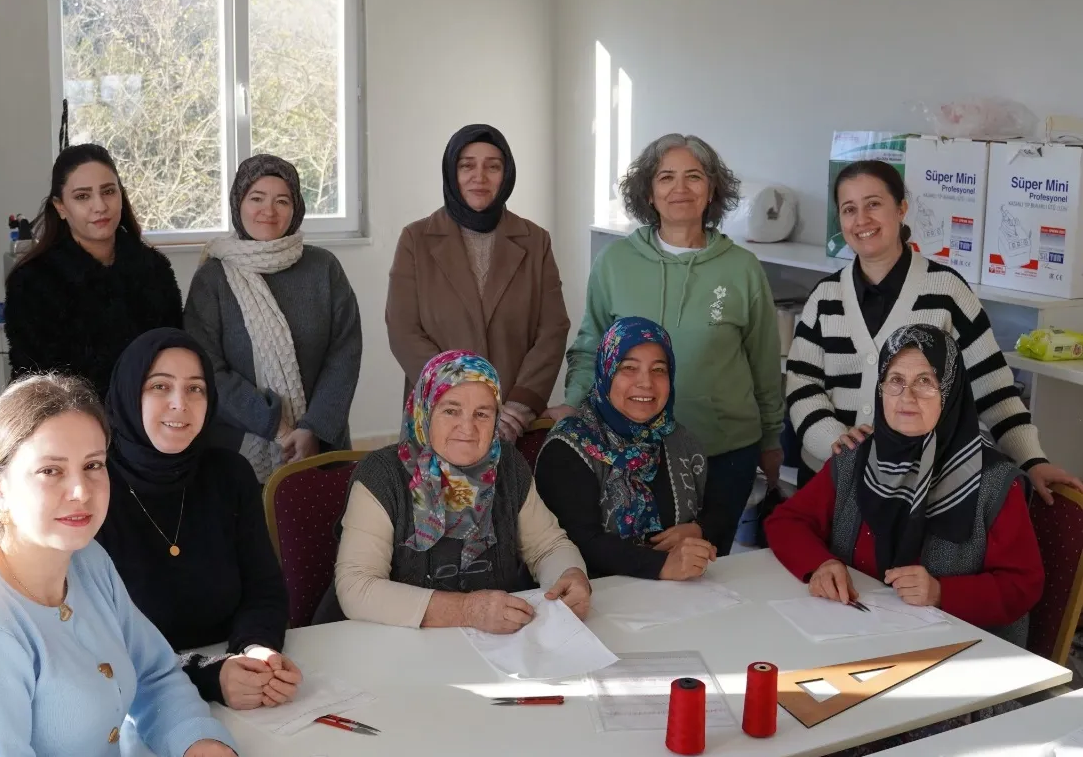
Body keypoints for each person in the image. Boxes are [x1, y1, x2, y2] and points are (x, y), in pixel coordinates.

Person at [0, 375, 267, 757]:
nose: (81, 491)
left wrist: (199, 737)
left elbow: (153, 672)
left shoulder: (87, 561)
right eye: (51, 470)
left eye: (93, 465)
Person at [786, 159, 1082, 501]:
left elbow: (992, 387)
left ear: (901, 209)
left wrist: (1032, 460)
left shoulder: (947, 292)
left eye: (874, 204)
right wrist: (832, 440)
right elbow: (802, 383)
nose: (862, 220)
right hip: (829, 479)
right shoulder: (825, 297)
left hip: (917, 490)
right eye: (849, 209)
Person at [556, 133, 783, 545]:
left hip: (725, 451)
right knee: (639, 566)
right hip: (631, 452)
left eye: (694, 176)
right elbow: (591, 346)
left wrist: (771, 440)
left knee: (709, 563)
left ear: (712, 189)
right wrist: (573, 407)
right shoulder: (615, 262)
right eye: (666, 177)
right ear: (649, 191)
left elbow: (764, 363)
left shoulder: (743, 268)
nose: (680, 188)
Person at [768, 324, 1043, 641]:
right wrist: (821, 564)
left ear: (950, 390)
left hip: (961, 647)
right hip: (857, 633)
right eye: (895, 380)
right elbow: (787, 521)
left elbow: (1023, 584)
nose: (907, 396)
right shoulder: (855, 459)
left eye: (925, 381)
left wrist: (942, 592)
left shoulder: (993, 481)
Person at [98, 328, 300, 710]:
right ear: (129, 393)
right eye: (160, 386)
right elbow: (97, 643)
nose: (180, 403)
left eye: (195, 388)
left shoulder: (231, 474)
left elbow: (264, 591)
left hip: (238, 682)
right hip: (137, 704)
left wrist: (257, 651)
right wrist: (208, 677)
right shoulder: (91, 489)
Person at [324, 350, 591, 631]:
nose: (467, 427)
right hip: (390, 642)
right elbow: (358, 586)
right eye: (451, 410)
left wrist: (570, 576)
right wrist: (466, 611)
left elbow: (548, 546)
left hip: (494, 644)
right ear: (425, 411)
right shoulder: (382, 474)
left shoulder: (507, 464)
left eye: (482, 414)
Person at [386, 124, 570, 441]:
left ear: (506, 174)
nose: (479, 177)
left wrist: (521, 405)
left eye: (493, 167)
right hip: (439, 411)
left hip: (511, 421)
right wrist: (462, 400)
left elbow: (552, 329)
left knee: (512, 477)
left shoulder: (536, 240)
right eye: (467, 165)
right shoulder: (416, 239)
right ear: (451, 172)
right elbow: (404, 330)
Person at [184, 154, 362, 482]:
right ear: (238, 203)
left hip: (321, 443)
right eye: (257, 198)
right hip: (236, 449)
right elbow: (205, 368)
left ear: (296, 209)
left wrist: (313, 429)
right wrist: (276, 427)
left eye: (282, 200)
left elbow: (344, 354)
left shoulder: (324, 268)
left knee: (325, 515)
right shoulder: (213, 278)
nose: (269, 211)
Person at [536, 317, 725, 581]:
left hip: (681, 593)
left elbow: (719, 508)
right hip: (597, 593)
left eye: (658, 369)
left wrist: (698, 529)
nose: (646, 383)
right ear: (606, 371)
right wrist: (661, 565)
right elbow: (576, 540)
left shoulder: (680, 439)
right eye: (629, 368)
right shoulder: (569, 445)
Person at [5, 143, 183, 398]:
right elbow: (35, 388)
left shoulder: (155, 270)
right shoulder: (33, 282)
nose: (99, 206)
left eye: (108, 191)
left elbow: (175, 359)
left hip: (151, 416)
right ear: (60, 207)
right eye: (82, 196)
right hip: (70, 418)